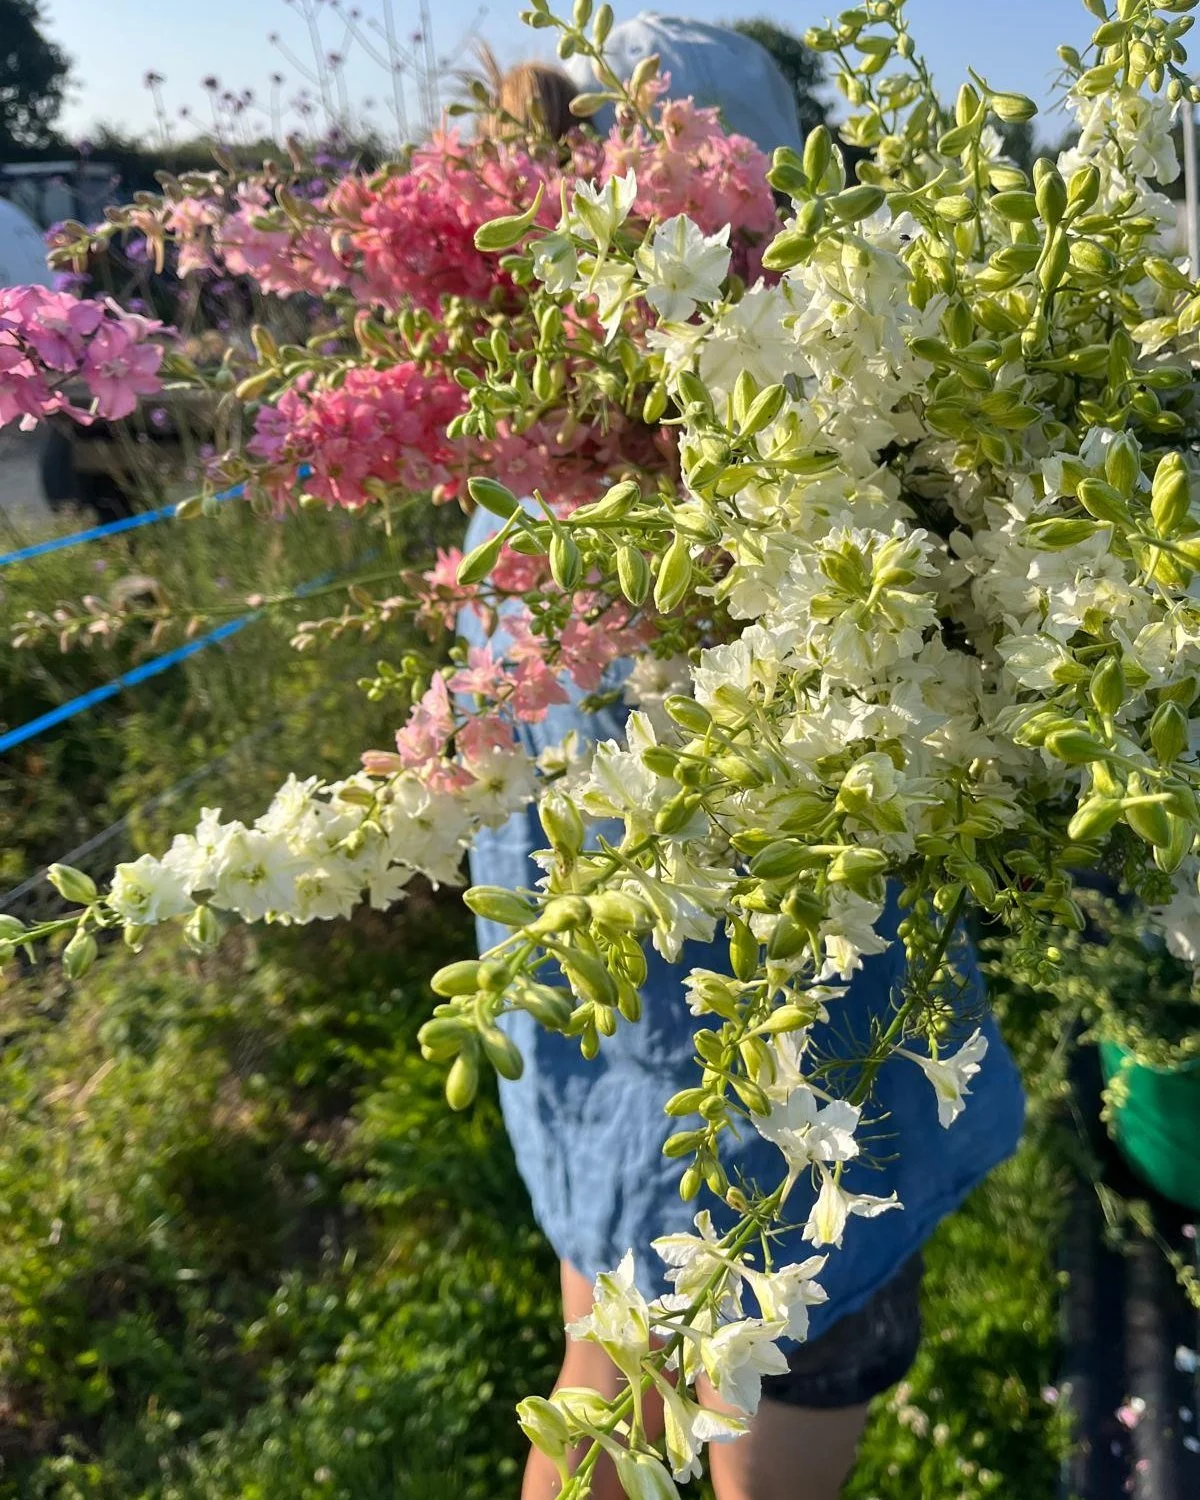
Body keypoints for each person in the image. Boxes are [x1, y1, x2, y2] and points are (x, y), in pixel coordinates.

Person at [460, 22, 1026, 1500]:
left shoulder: (517, 486)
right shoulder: (821, 474)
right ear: (751, 204)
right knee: (728, 1418)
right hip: (799, 1125)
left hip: (603, 1102)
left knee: (602, 1382)